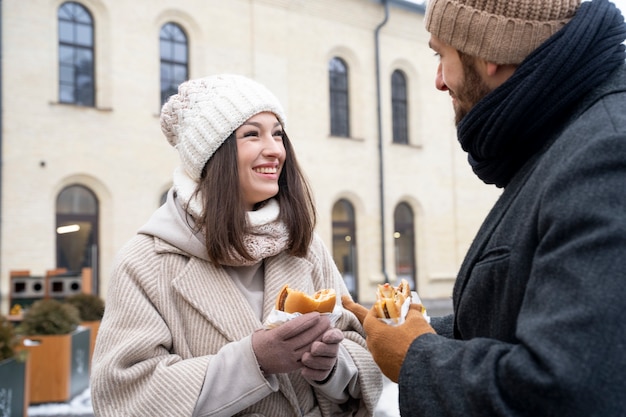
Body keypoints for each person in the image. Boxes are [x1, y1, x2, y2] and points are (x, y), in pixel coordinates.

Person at [343, 0, 626, 415]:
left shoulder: (606, 154)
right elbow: (517, 322)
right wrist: (405, 331)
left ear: (490, 52)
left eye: (442, 55)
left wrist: (415, 355)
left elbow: (567, 391)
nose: (438, 81)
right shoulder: (564, 141)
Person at [91, 74, 382, 416]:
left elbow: (360, 351)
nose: (275, 149)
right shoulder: (145, 261)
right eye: (252, 135)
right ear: (212, 156)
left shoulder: (304, 245)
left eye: (277, 133)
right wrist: (253, 361)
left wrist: (332, 368)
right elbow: (123, 392)